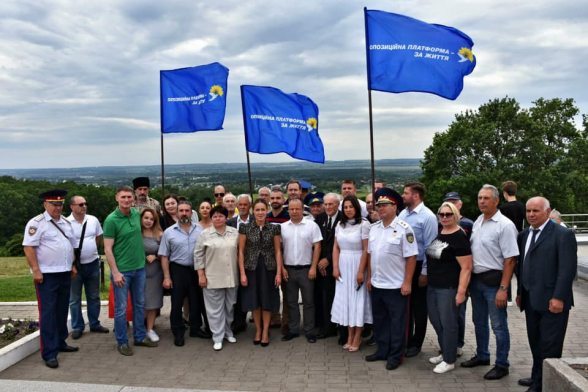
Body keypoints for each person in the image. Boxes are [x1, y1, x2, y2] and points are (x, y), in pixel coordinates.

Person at [515, 197, 577, 392]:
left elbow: (567, 270)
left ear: (548, 212)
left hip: (553, 301)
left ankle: (543, 385)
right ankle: (537, 377)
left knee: (550, 346)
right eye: (528, 211)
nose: (531, 214)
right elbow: (522, 265)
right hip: (530, 298)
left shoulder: (562, 234)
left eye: (536, 211)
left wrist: (559, 297)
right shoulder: (524, 234)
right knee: (535, 343)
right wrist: (519, 292)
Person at [461, 184, 519, 380]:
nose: (482, 201)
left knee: (498, 326)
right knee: (479, 322)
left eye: (486, 198)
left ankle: (502, 364)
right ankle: (483, 355)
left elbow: (510, 259)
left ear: (496, 200)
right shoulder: (478, 221)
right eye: (479, 198)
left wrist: (504, 288)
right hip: (476, 281)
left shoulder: (505, 225)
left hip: (495, 283)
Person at [23, 189, 79, 369]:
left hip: (64, 272)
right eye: (54, 204)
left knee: (62, 310)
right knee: (48, 313)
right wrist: (36, 270)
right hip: (46, 275)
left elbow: (69, 246)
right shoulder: (36, 223)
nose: (58, 207)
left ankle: (61, 341)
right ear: (45, 204)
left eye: (60, 204)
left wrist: (71, 265)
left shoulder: (66, 223)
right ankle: (49, 352)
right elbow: (29, 248)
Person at [365, 188, 418, 371]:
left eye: (385, 205)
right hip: (378, 284)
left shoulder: (404, 229)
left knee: (398, 323)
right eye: (378, 205)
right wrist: (370, 277)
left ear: (395, 206)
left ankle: (396, 355)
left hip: (396, 286)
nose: (381, 208)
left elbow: (411, 257)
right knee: (380, 321)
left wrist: (407, 282)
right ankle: (382, 350)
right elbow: (371, 255)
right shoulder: (374, 229)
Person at [103, 186, 158, 356]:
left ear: (133, 198)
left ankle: (140, 337)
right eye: (123, 197)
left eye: (129, 197)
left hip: (139, 269)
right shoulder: (111, 220)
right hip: (122, 271)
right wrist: (116, 272)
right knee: (121, 308)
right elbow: (107, 249)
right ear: (116, 198)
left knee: (139, 304)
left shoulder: (136, 215)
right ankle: (122, 342)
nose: (127, 200)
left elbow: (152, 227)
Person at [426, 202, 473, 374]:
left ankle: (449, 360)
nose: (445, 217)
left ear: (455, 215)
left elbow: (467, 267)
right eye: (442, 214)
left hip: (449, 287)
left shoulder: (459, 237)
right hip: (433, 286)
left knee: (449, 323)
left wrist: (461, 292)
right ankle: (446, 349)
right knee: (437, 321)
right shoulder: (441, 233)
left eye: (448, 214)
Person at [159, 201, 210, 347]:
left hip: (196, 269)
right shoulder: (169, 232)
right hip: (177, 269)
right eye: (181, 210)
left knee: (196, 301)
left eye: (187, 211)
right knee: (177, 303)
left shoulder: (199, 230)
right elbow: (163, 255)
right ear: (177, 212)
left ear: (191, 212)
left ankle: (195, 328)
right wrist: (167, 277)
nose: (184, 213)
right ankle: (178, 332)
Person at [399, 182, 438, 358]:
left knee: (419, 308)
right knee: (406, 307)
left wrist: (425, 272)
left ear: (415, 196)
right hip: (403, 266)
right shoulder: (403, 213)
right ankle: (405, 340)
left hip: (419, 266)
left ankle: (416, 343)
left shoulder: (427, 217)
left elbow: (432, 247)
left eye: (406, 193)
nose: (403, 195)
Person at [239, 199, 283, 347]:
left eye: (263, 210)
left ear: (267, 210)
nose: (260, 213)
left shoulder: (274, 228)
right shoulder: (245, 228)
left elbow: (277, 251)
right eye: (257, 210)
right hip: (251, 269)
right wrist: (242, 273)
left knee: (267, 300)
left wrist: (278, 273)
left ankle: (265, 331)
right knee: (255, 301)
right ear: (253, 211)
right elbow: (241, 251)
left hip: (268, 269)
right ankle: (258, 330)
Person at [195, 206, 240, 351]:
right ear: (211, 218)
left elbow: (240, 253)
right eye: (215, 216)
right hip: (212, 277)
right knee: (214, 310)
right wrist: (201, 275)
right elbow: (198, 255)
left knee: (229, 307)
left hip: (231, 276)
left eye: (221, 216)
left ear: (226, 218)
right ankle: (217, 337)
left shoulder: (235, 233)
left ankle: (228, 332)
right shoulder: (204, 234)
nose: (218, 219)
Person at [331, 195, 372, 352]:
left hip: (357, 264)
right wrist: (335, 267)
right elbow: (336, 247)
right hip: (343, 265)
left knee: (358, 301)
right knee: (346, 301)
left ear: (356, 208)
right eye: (345, 207)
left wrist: (361, 271)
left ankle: (357, 336)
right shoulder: (340, 225)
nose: (348, 210)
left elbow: (366, 250)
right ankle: (349, 335)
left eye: (351, 207)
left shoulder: (364, 225)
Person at [280, 198, 322, 343]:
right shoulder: (283, 227)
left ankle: (309, 331)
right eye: (291, 209)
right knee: (291, 302)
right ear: (288, 210)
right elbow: (279, 249)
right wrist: (282, 268)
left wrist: (313, 267)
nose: (294, 211)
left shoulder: (312, 226)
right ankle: (293, 330)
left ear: (302, 209)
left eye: (297, 209)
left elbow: (317, 247)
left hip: (306, 269)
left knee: (309, 302)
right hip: (289, 270)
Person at [67, 195, 108, 340]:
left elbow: (98, 238)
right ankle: (78, 326)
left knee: (94, 296)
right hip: (74, 267)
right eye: (80, 204)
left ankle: (95, 323)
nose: (84, 206)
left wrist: (90, 251)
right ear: (72, 207)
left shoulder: (93, 220)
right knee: (75, 298)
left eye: (85, 204)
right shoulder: (66, 222)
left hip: (92, 264)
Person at [441, 191, 475, 357]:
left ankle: (458, 343)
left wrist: (466, 284)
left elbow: (470, 254)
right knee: (446, 316)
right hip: (443, 278)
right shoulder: (440, 225)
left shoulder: (468, 224)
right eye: (448, 202)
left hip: (459, 276)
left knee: (458, 313)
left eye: (454, 202)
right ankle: (447, 345)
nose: (451, 205)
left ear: (460, 205)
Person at [313, 193, 341, 342]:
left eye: (331, 204)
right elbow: (318, 241)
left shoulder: (343, 218)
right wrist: (320, 261)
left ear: (337, 205)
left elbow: (342, 243)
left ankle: (338, 326)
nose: (328, 207)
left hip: (338, 265)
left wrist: (328, 259)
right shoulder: (321, 218)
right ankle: (327, 327)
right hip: (322, 266)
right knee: (325, 298)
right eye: (326, 204)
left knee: (337, 297)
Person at [227, 194, 253, 334]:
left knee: (248, 293)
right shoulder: (230, 222)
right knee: (235, 294)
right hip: (233, 262)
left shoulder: (256, 220)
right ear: (237, 206)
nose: (242, 207)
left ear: (249, 206)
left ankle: (247, 320)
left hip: (252, 262)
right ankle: (237, 323)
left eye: (245, 205)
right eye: (240, 205)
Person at [265, 187, 291, 332]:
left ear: (283, 199)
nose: (275, 201)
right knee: (271, 291)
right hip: (270, 260)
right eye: (272, 198)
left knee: (287, 293)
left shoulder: (289, 217)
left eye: (278, 198)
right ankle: (275, 318)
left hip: (287, 259)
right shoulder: (266, 217)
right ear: (269, 200)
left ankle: (286, 321)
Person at [140, 207, 164, 343]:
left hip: (155, 273)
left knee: (153, 303)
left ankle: (150, 329)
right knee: (141, 302)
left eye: (151, 219)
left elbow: (166, 254)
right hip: (139, 272)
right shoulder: (136, 233)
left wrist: (156, 256)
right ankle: (140, 328)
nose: (148, 221)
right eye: (146, 218)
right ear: (141, 219)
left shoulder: (160, 234)